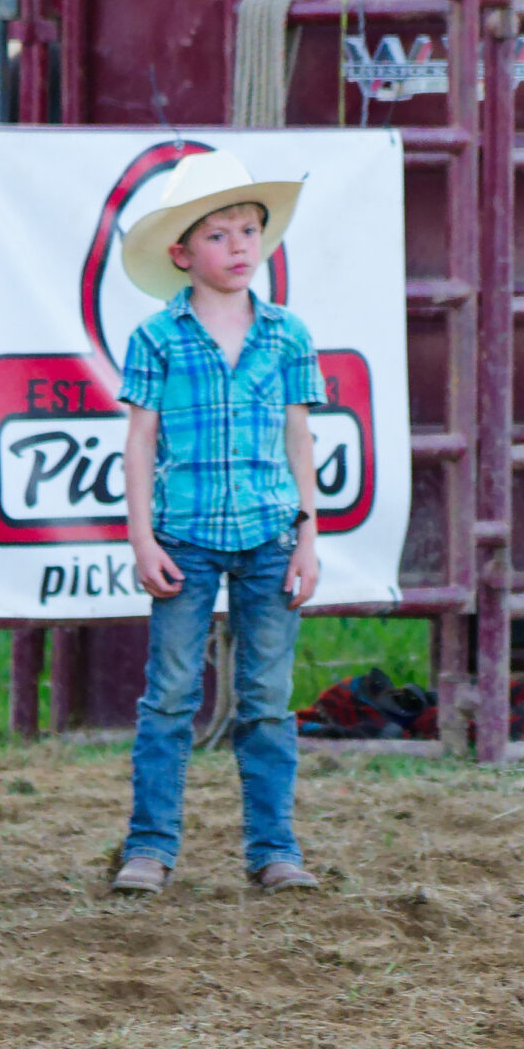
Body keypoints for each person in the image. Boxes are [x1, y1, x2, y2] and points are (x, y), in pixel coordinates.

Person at [108, 148, 327, 896]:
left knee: (266, 699)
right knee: (169, 695)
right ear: (181, 252)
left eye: (249, 230)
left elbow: (299, 435)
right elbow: (139, 438)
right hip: (184, 535)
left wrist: (307, 533)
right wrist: (141, 536)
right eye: (218, 233)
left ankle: (274, 849)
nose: (238, 246)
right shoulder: (156, 338)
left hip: (270, 532)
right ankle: (150, 847)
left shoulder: (288, 335)